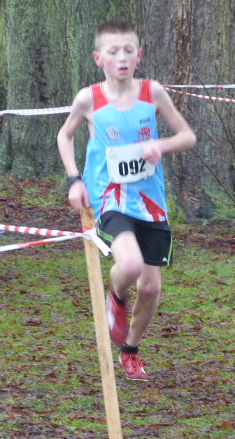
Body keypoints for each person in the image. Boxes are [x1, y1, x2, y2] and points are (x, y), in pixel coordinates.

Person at [57, 19, 196, 381]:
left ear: (139, 55)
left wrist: (160, 146)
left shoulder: (153, 92)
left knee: (150, 288)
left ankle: (130, 349)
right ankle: (116, 295)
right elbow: (64, 136)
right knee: (130, 267)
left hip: (150, 200)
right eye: (113, 51)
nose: (121, 58)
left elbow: (187, 136)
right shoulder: (89, 98)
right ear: (98, 58)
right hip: (109, 198)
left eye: (128, 51)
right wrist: (74, 180)